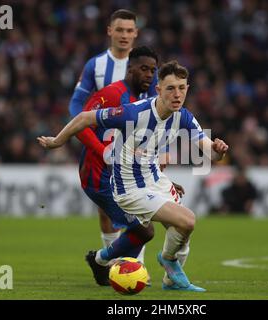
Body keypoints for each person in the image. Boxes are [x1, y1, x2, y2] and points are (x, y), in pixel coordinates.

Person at [38, 60, 229, 291]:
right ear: (158, 90)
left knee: (181, 233)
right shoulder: (134, 112)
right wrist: (57, 141)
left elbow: (211, 153)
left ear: (188, 88)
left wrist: (218, 152)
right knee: (187, 220)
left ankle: (170, 281)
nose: (177, 94)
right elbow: (85, 117)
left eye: (181, 88)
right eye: (170, 88)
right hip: (128, 188)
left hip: (154, 179)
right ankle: (167, 261)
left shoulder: (184, 117)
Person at [69, 9, 157, 263]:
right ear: (110, 31)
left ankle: (134, 264)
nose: (124, 35)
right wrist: (84, 129)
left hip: (137, 146)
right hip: (102, 144)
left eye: (129, 31)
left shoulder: (146, 67)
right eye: (119, 29)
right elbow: (77, 105)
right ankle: (114, 262)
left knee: (140, 202)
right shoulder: (95, 65)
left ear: (136, 33)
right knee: (106, 208)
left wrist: (158, 148)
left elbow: (156, 107)